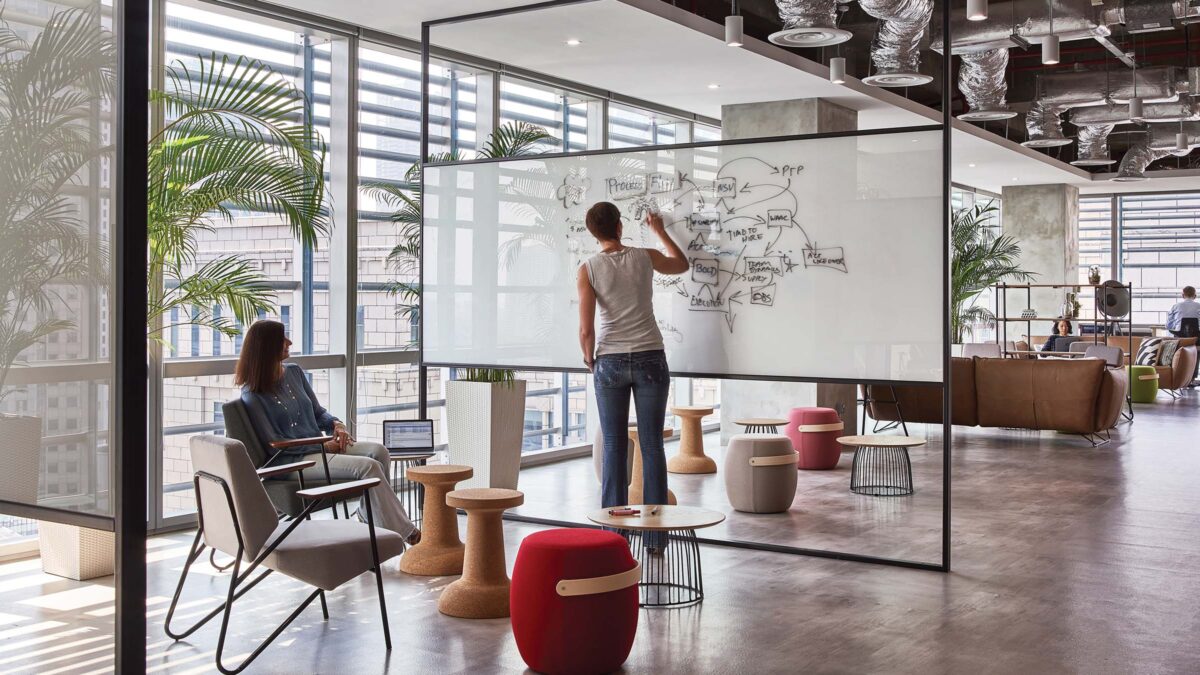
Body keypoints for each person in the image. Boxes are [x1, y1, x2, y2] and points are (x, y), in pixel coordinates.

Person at [235, 320, 420, 545]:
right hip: (293, 462)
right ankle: (404, 532)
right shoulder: (252, 395)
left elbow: (318, 412)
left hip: (319, 448)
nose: (289, 342)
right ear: (267, 347)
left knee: (378, 452)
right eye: (282, 339)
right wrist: (323, 446)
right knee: (368, 467)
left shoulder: (294, 373)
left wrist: (337, 425)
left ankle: (367, 517)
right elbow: (276, 444)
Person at [577, 202, 688, 549]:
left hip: (609, 360)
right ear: (620, 226)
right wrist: (659, 230)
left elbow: (586, 329)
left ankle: (614, 536)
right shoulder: (644, 257)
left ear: (593, 233)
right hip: (650, 358)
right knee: (652, 444)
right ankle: (656, 538)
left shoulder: (589, 268)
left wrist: (589, 358)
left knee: (613, 445)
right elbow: (681, 264)